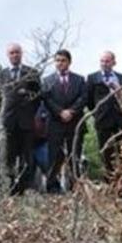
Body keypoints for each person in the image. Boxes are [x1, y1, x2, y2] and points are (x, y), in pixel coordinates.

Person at [0, 43, 41, 195]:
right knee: (9, 156)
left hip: (26, 122)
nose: (15, 55)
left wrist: (30, 113)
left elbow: (37, 97)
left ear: (21, 54)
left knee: (27, 157)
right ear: (8, 55)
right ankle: (12, 189)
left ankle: (27, 186)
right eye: (12, 53)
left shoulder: (31, 73)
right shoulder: (1, 75)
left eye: (17, 52)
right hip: (9, 122)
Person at [41, 49, 88, 194]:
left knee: (75, 156)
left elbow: (83, 98)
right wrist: (60, 112)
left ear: (69, 62)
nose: (60, 63)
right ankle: (52, 187)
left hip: (74, 123)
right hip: (55, 124)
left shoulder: (79, 79)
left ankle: (75, 187)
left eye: (63, 60)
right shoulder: (47, 80)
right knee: (54, 157)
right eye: (57, 60)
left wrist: (71, 111)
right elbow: (47, 99)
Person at [86, 51, 122, 179]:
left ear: (114, 62)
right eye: (102, 61)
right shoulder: (93, 77)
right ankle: (109, 179)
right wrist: (98, 113)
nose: (104, 64)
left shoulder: (121, 77)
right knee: (106, 151)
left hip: (120, 120)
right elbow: (89, 100)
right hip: (103, 120)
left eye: (107, 61)